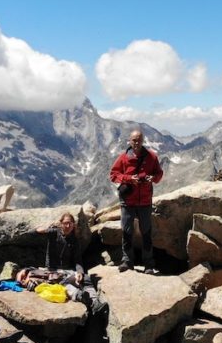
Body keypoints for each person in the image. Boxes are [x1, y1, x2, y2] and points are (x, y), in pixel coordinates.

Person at [109, 128, 164, 274]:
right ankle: (127, 262)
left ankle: (148, 265)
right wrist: (128, 179)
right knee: (127, 232)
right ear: (129, 141)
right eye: (134, 140)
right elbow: (113, 174)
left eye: (139, 139)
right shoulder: (123, 158)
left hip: (145, 201)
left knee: (146, 233)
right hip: (128, 201)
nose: (136, 142)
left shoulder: (151, 157)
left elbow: (159, 173)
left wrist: (153, 178)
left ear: (143, 140)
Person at [26, 212, 104, 312]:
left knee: (85, 278)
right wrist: (47, 227)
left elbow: (77, 260)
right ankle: (80, 296)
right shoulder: (54, 233)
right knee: (60, 281)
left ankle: (95, 302)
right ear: (61, 223)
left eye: (70, 223)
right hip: (53, 270)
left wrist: (80, 272)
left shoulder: (74, 240)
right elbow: (34, 232)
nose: (68, 226)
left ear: (73, 225)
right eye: (65, 223)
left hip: (68, 270)